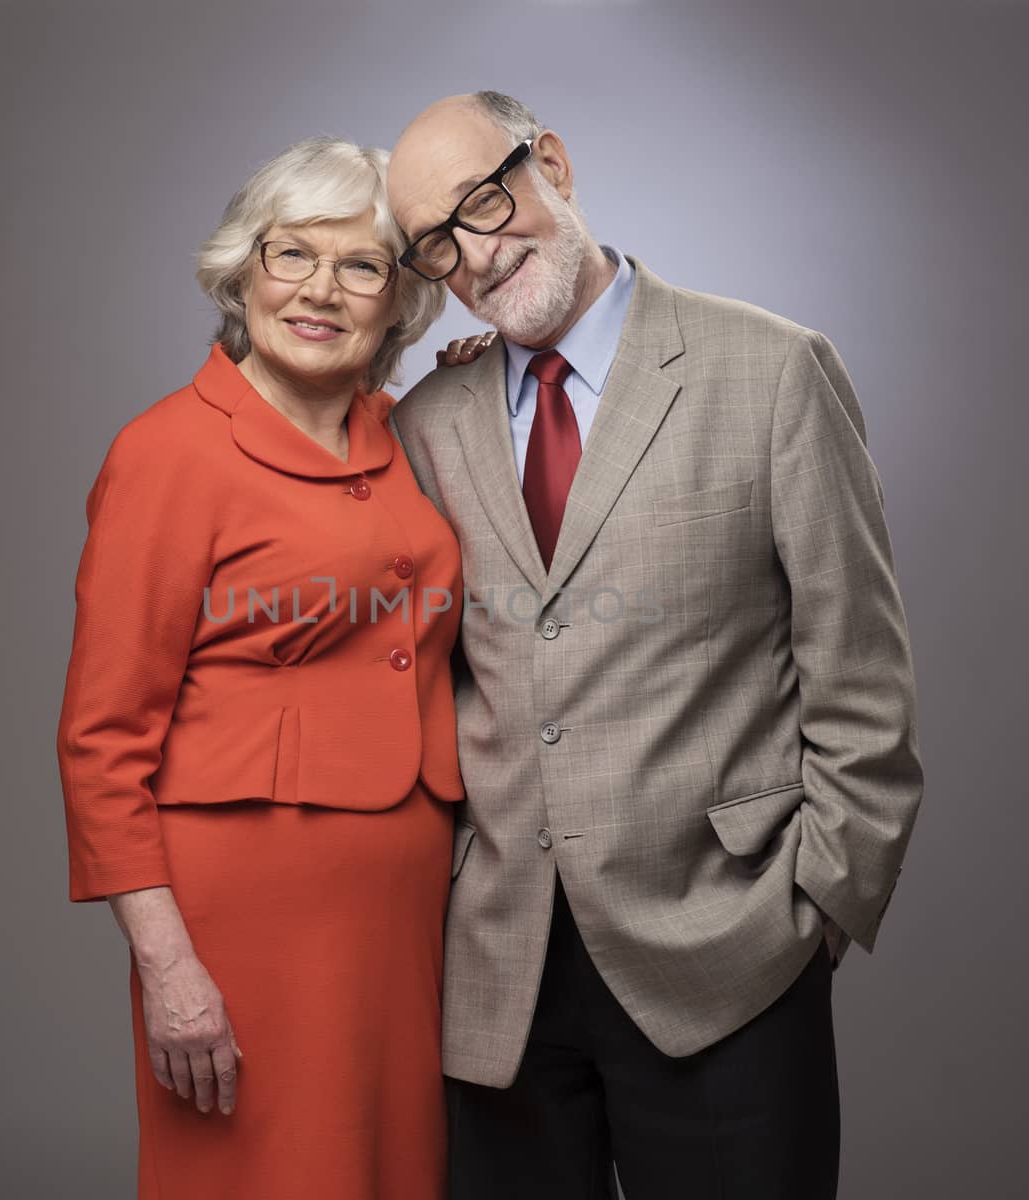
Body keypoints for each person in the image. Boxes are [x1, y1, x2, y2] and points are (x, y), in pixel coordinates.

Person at [386, 92, 926, 1199]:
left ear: (553, 163)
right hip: (496, 982)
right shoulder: (426, 425)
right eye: (438, 243)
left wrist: (817, 909)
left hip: (726, 956)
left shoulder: (770, 371)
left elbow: (860, 677)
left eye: (487, 205)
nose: (476, 258)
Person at [54, 136, 465, 1200]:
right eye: (291, 255)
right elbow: (101, 739)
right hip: (246, 905)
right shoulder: (168, 452)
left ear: (399, 302)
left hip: (407, 899)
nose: (319, 291)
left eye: (361, 265)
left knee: (389, 1169)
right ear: (242, 273)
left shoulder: (401, 433)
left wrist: (483, 382)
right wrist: (167, 966)